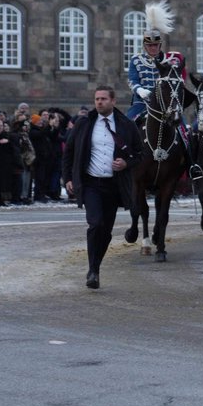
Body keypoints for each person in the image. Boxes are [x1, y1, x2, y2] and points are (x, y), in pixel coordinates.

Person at [63, 85, 143, 289]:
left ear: (113, 101)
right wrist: (68, 178)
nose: (99, 102)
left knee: (106, 231)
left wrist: (126, 163)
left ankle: (96, 266)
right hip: (91, 183)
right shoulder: (84, 123)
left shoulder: (126, 125)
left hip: (113, 186)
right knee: (95, 224)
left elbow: (140, 154)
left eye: (103, 99)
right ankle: (92, 270)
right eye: (97, 99)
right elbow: (69, 152)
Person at [127, 0, 185, 120]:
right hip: (142, 102)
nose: (153, 48)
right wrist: (140, 90)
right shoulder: (136, 60)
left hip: (166, 103)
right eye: (150, 45)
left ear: (160, 45)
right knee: (128, 124)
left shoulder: (170, 61)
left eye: (155, 45)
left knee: (182, 126)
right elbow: (132, 80)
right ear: (144, 46)